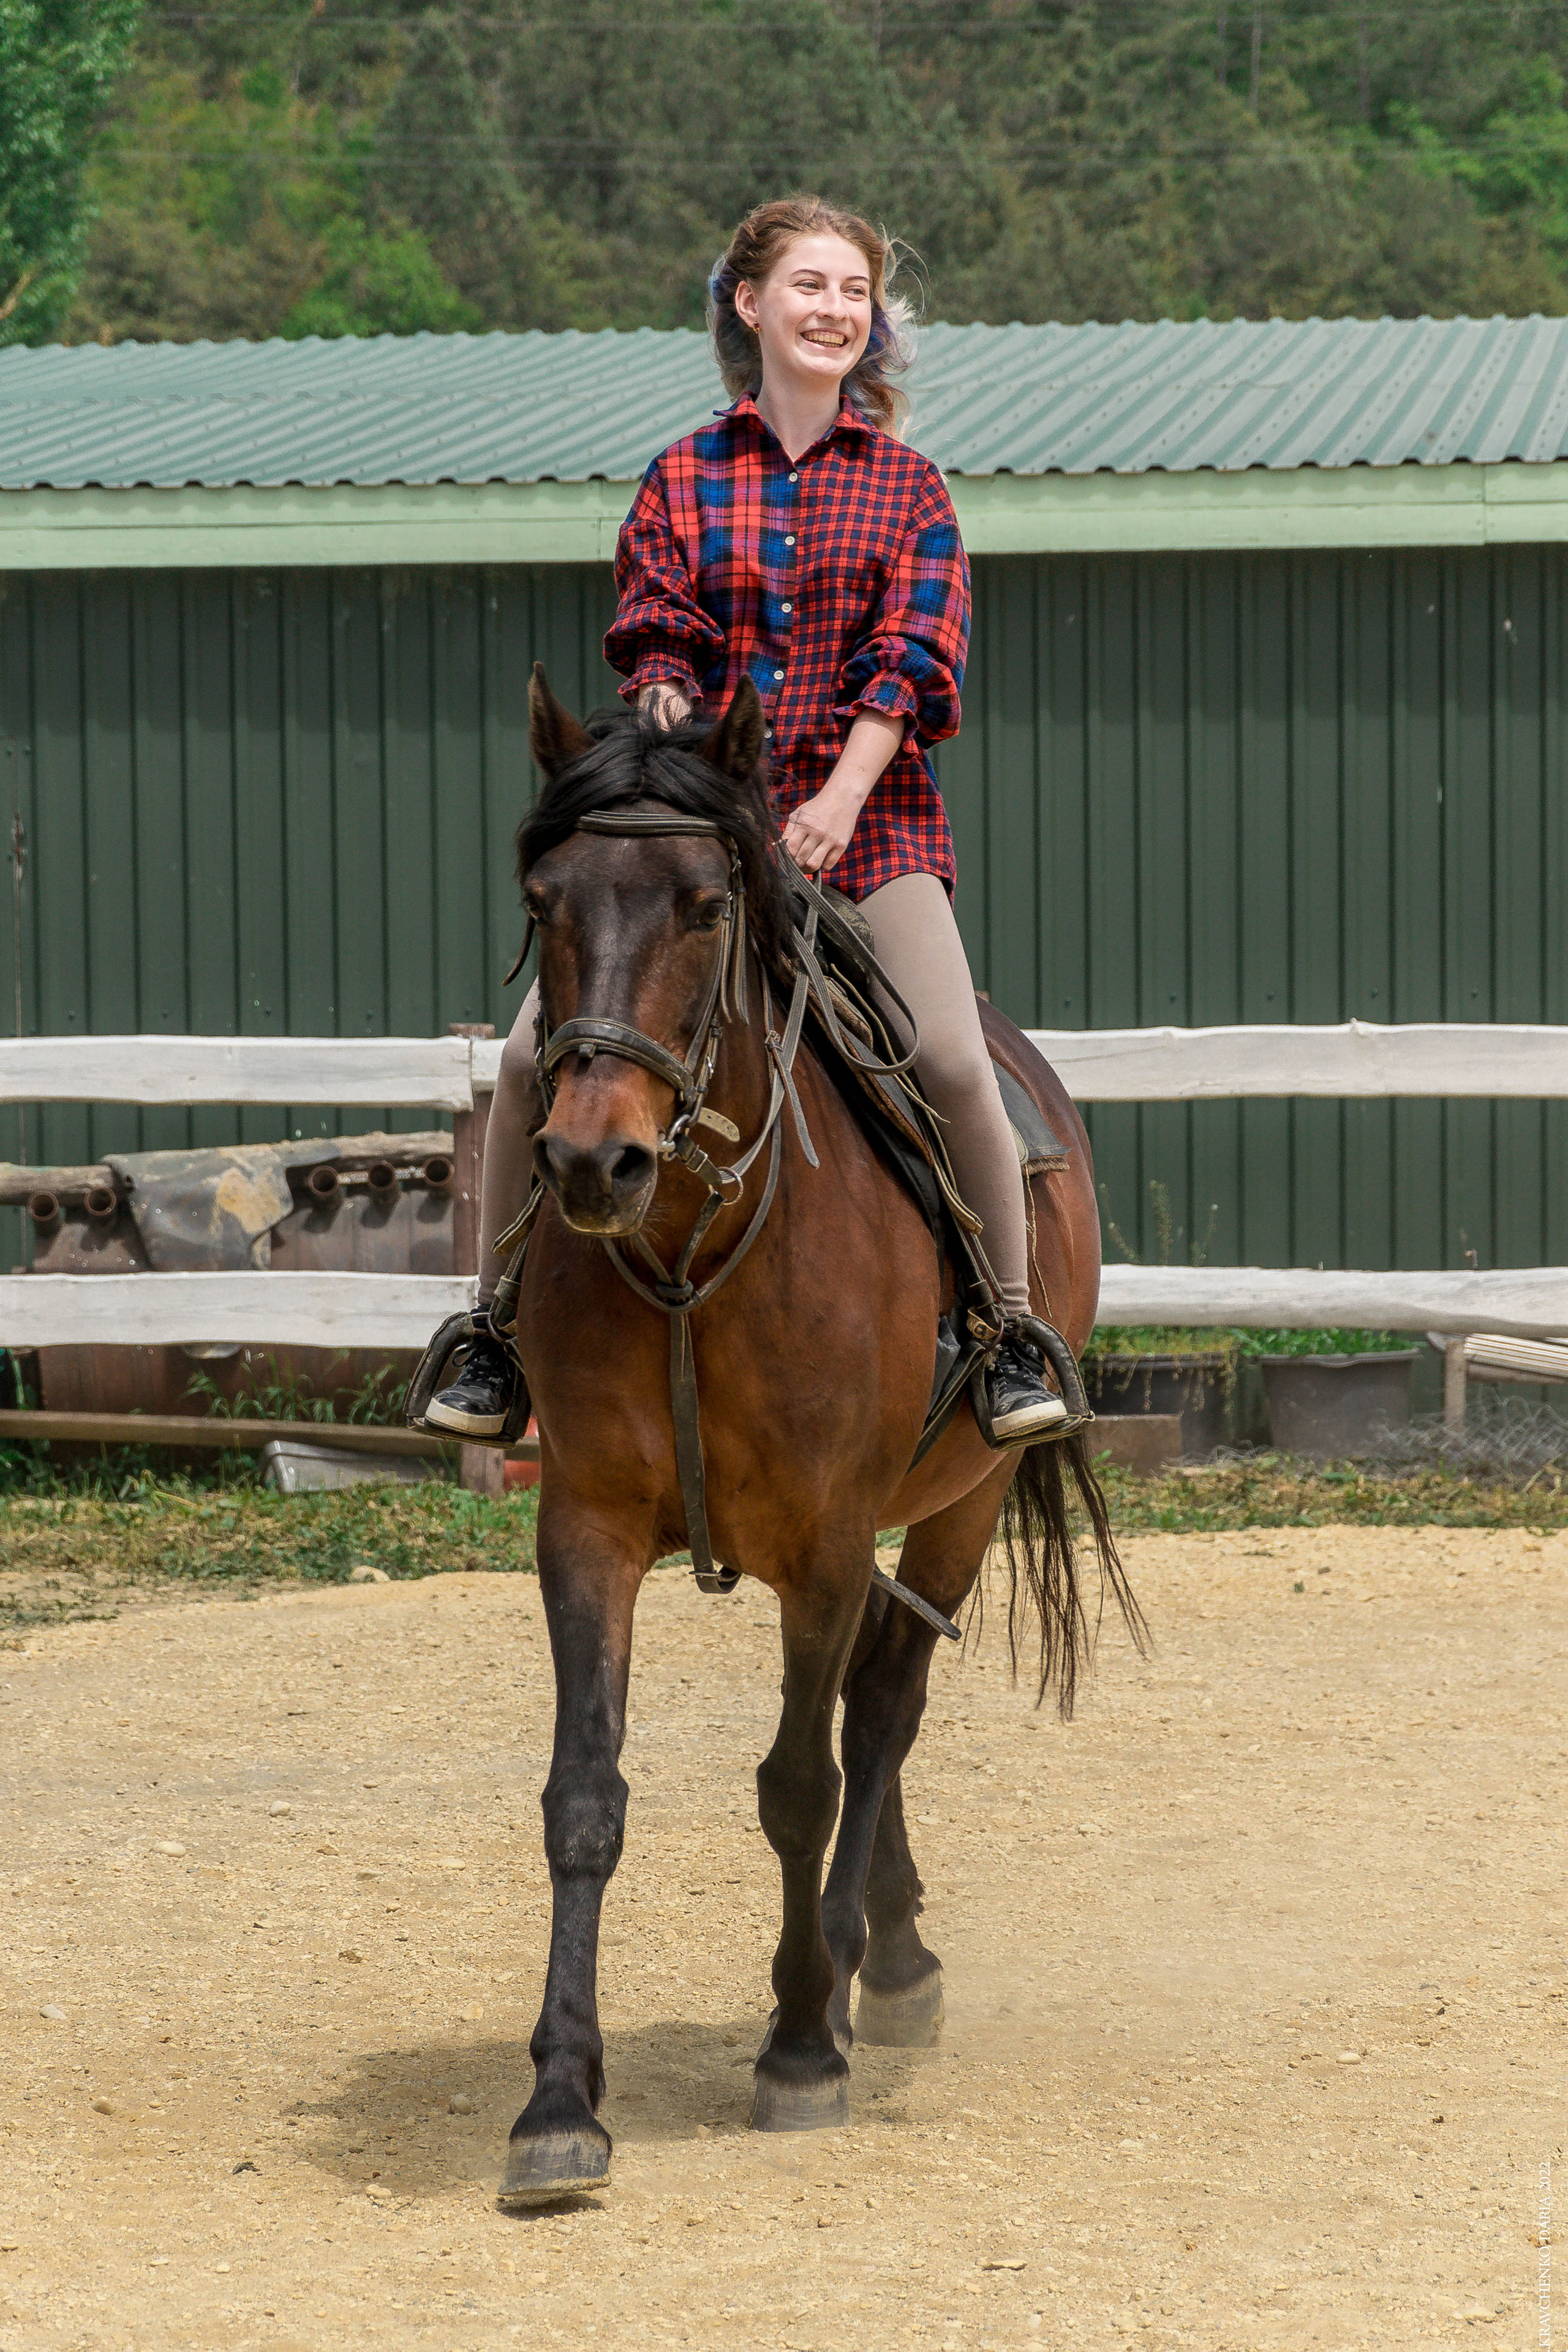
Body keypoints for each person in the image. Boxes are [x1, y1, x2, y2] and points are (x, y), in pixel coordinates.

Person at [426, 194, 1064, 1446]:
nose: (834, 310)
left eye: (852, 293)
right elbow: (656, 634)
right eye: (809, 287)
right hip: (697, 837)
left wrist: (831, 799)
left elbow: (915, 658)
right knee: (519, 1064)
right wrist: (677, 753)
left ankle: (1005, 1329)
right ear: (748, 303)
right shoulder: (681, 475)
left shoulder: (910, 490)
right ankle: (490, 1330)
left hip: (863, 832)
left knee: (945, 1057)